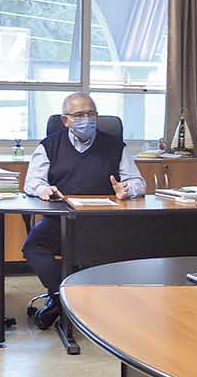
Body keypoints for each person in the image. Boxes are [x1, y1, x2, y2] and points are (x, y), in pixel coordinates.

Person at [22, 93, 147, 330]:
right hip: (61, 220)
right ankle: (64, 296)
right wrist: (43, 189)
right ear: (65, 120)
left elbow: (139, 182)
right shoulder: (49, 146)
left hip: (103, 222)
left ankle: (65, 301)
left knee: (126, 245)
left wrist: (127, 189)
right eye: (79, 115)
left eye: (91, 114)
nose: (87, 120)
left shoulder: (114, 146)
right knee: (33, 246)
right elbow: (32, 182)